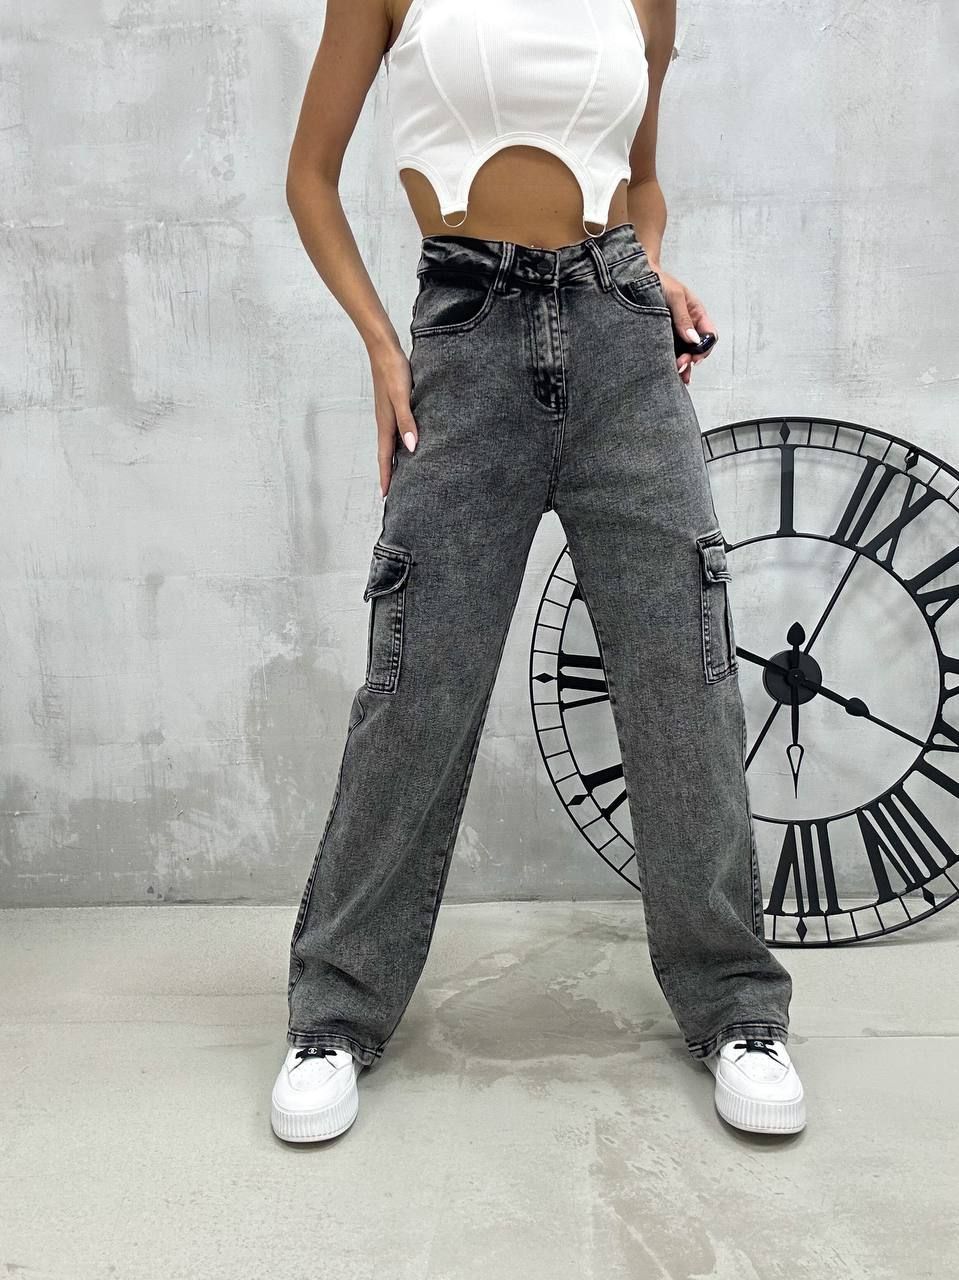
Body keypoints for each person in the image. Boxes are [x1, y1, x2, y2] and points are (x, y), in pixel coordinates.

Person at [271, 0, 805, 1144]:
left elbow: (640, 182)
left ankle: (736, 1008)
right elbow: (308, 176)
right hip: (465, 332)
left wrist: (649, 270)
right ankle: (334, 1013)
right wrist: (381, 344)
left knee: (684, 674)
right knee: (416, 684)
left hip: (620, 337)